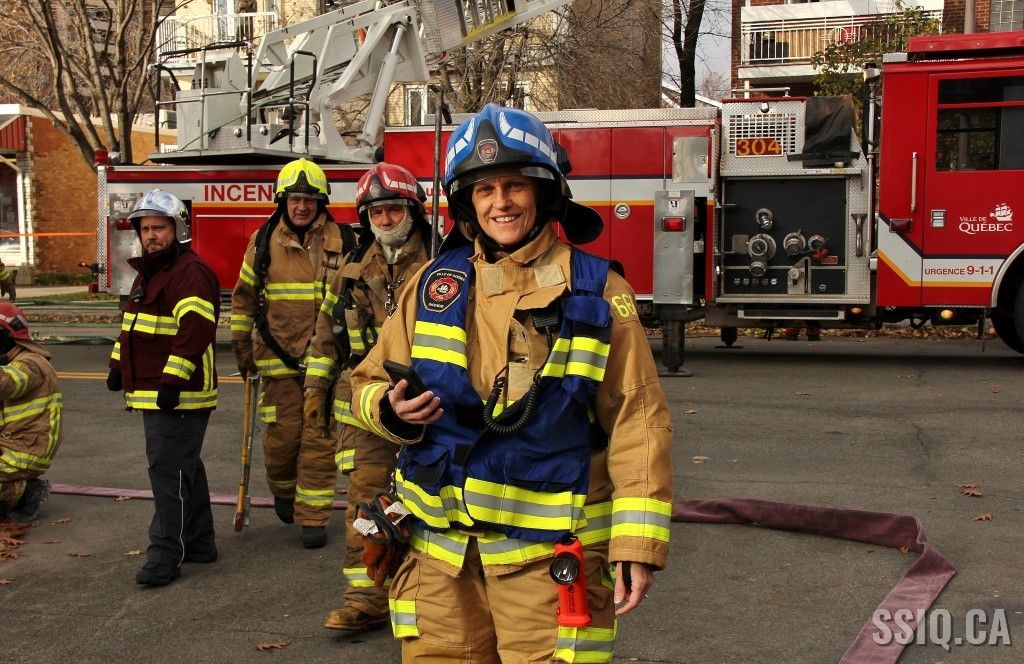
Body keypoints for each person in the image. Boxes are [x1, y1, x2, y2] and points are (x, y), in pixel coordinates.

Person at [348, 104, 674, 662]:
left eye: (514, 185)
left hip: (545, 562)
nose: (500, 202)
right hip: (438, 561)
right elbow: (366, 381)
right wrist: (387, 408)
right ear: (467, 203)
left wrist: (636, 543)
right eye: (485, 189)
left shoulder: (596, 291)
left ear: (544, 194)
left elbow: (637, 419)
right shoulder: (433, 285)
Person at [303, 163, 435, 633]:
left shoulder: (446, 263)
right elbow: (326, 335)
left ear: (413, 211)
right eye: (376, 212)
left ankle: (433, 602)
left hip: (432, 406)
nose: (385, 219)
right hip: (368, 407)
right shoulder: (352, 271)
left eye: (393, 209)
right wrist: (315, 389)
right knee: (366, 504)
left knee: (434, 502)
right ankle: (366, 597)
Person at [231, 157, 352, 548]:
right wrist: (240, 344)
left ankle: (313, 517)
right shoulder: (263, 241)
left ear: (321, 202)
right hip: (277, 356)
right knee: (284, 439)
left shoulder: (343, 241)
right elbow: (244, 298)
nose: (302, 206)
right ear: (282, 201)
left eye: (309, 200)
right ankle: (283, 490)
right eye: (295, 199)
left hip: (326, 361)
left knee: (319, 439)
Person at [106, 189, 220, 587]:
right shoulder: (150, 273)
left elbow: (195, 331)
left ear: (178, 229)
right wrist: (117, 365)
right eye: (145, 229)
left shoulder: (190, 272)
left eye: (159, 227)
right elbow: (133, 328)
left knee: (167, 473)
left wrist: (172, 381)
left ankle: (164, 556)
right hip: (159, 391)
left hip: (178, 394)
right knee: (184, 467)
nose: (151, 235)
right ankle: (200, 542)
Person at [0, 302, 61, 523]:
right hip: (12, 443)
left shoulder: (31, 363)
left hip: (25, 449)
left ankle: (27, 492)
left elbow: (8, 383)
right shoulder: (13, 361)